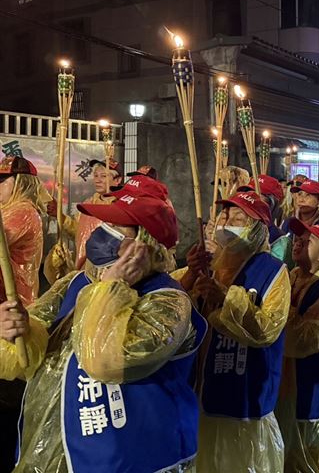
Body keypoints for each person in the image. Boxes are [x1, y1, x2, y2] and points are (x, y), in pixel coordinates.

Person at [0, 190, 207, 472]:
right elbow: (33, 351)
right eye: (104, 226)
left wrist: (111, 289)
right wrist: (18, 329)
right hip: (58, 446)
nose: (102, 235)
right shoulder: (75, 282)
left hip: (129, 458)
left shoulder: (168, 301)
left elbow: (104, 359)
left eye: (118, 231)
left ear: (147, 245)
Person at [182, 190, 291, 473]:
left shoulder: (274, 271)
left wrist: (225, 298)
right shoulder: (210, 263)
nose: (227, 223)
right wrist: (191, 277)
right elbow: (179, 312)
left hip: (245, 394)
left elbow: (267, 329)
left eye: (239, 218)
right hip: (201, 388)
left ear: (256, 230)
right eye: (225, 216)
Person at [276, 219, 319, 473]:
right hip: (291, 380)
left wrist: (276, 319)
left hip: (313, 380)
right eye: (297, 239)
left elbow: (306, 341)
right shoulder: (292, 275)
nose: (298, 243)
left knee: (310, 448)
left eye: (308, 241)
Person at [51, 159, 123, 272]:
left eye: (103, 176)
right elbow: (76, 231)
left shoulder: (122, 207)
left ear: (117, 180)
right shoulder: (87, 205)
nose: (97, 180)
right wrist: (59, 215)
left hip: (110, 271)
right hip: (83, 269)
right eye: (95, 176)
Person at [0, 156, 47, 305]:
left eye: (3, 181)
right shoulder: (7, 209)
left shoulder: (23, 212)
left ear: (22, 183)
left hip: (12, 301)